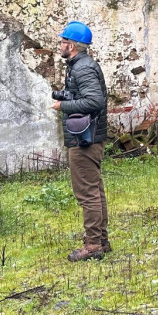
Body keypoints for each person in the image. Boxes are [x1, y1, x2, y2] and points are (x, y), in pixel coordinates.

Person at [53, 21, 110, 261]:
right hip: (86, 136)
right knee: (94, 189)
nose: (60, 45)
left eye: (63, 41)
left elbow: (95, 102)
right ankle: (101, 241)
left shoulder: (83, 68)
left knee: (87, 192)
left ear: (72, 45)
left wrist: (63, 105)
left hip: (85, 139)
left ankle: (93, 245)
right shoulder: (79, 65)